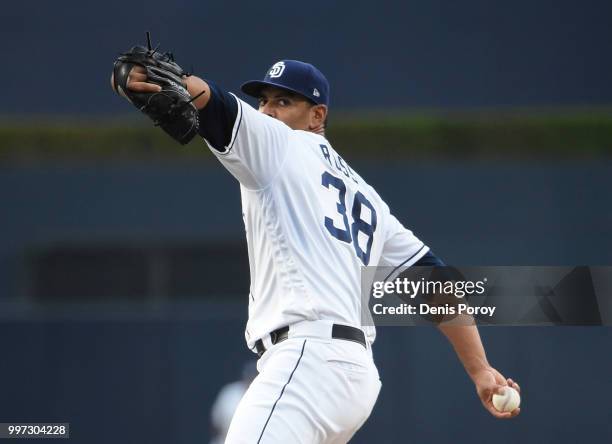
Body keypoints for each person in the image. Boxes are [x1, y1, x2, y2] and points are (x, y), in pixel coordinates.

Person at [115, 58, 521, 443]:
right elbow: (435, 283)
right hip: (353, 378)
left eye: (284, 101)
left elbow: (212, 101)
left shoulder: (278, 144)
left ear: (317, 116)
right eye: (265, 100)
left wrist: (162, 77)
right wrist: (481, 370)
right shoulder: (367, 197)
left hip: (309, 359)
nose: (269, 111)